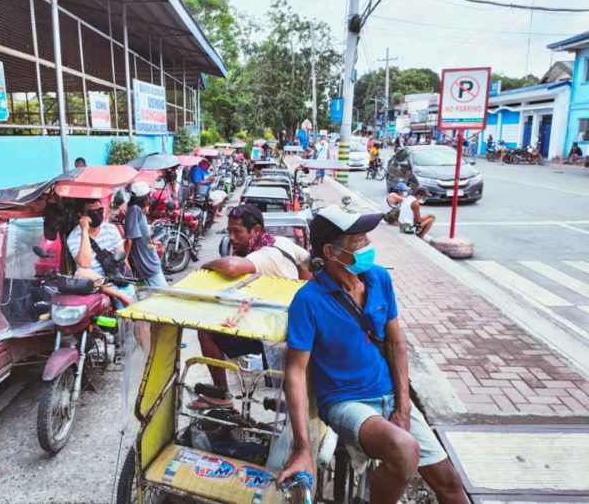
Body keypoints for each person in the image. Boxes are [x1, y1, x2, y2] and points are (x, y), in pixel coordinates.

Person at [277, 205, 466, 503]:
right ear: (331, 252)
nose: (368, 247)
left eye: (366, 239)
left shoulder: (379, 279)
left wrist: (403, 407)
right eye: (359, 242)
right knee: (404, 450)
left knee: (451, 484)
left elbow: (395, 344)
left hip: (389, 394)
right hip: (345, 401)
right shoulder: (308, 300)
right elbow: (296, 371)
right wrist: (302, 448)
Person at [191, 204, 311, 410]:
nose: (232, 238)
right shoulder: (281, 242)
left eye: (237, 232)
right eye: (229, 232)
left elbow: (230, 267)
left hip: (275, 333)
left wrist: (207, 265)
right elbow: (306, 264)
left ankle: (222, 394)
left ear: (256, 230)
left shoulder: (261, 257)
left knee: (206, 332)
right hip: (290, 324)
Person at [66, 198, 134, 306]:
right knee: (81, 272)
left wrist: (131, 279)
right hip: (93, 281)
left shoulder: (111, 229)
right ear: (81, 215)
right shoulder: (74, 237)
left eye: (99, 210)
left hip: (114, 276)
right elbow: (85, 264)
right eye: (92, 212)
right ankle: (119, 295)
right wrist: (84, 230)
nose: (97, 214)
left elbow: (123, 259)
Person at [123, 181, 167, 287]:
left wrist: (152, 243)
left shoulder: (139, 211)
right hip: (147, 263)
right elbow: (130, 239)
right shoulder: (134, 211)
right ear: (144, 198)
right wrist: (124, 259)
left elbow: (143, 239)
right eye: (149, 196)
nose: (151, 198)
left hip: (151, 257)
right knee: (163, 293)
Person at [190, 158, 226, 222]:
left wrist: (211, 182)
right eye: (208, 164)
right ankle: (213, 217)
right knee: (218, 199)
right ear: (203, 163)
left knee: (223, 194)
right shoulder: (197, 170)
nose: (209, 166)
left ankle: (216, 211)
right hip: (202, 191)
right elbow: (198, 183)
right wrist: (208, 180)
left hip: (209, 189)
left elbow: (209, 180)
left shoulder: (205, 170)